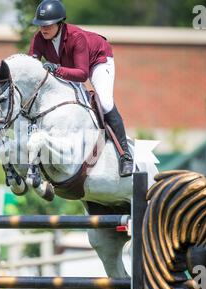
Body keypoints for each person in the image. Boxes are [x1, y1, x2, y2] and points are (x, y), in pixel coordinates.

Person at [28, 0, 134, 177]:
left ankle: (125, 156)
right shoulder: (39, 38)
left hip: (97, 61)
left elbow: (82, 74)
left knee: (106, 103)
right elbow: (32, 66)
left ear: (60, 23)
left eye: (47, 25)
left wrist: (56, 69)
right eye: (40, 25)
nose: (43, 29)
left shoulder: (77, 37)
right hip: (69, 67)